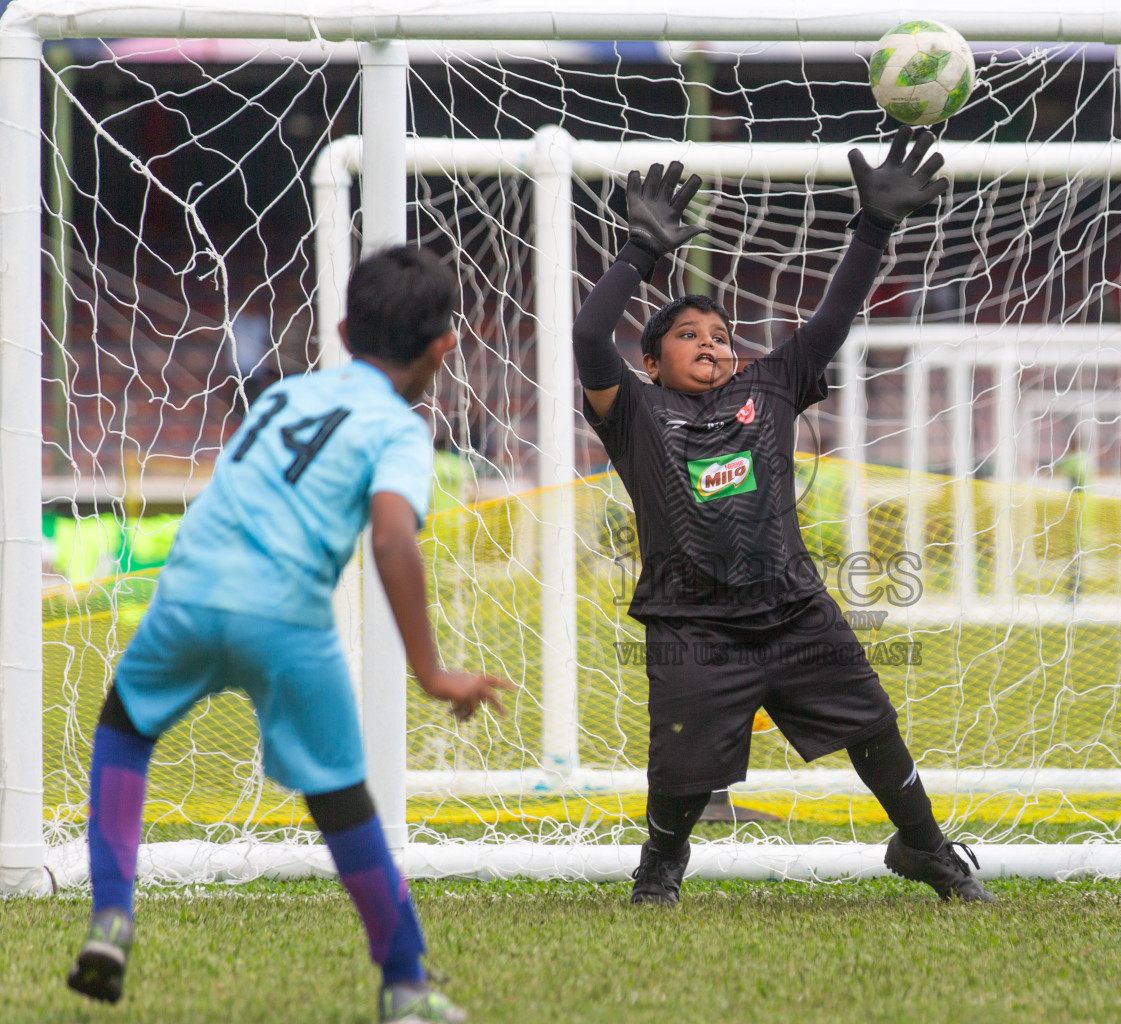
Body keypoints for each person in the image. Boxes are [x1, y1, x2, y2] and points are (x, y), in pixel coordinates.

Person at [65, 246, 510, 1023]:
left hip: (190, 589)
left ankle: (112, 915)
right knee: (342, 801)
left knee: (125, 729)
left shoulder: (282, 397)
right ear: (446, 346)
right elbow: (394, 538)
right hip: (287, 617)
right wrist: (434, 672)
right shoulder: (402, 434)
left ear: (341, 328)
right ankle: (405, 985)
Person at [574, 127, 994, 905]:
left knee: (874, 725)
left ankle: (929, 851)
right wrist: (639, 252)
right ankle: (660, 869)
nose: (712, 344)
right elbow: (587, 335)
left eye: (722, 336)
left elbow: (833, 316)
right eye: (688, 335)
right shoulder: (633, 410)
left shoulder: (769, 388)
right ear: (652, 360)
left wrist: (874, 227)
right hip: (691, 619)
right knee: (681, 765)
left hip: (794, 607)